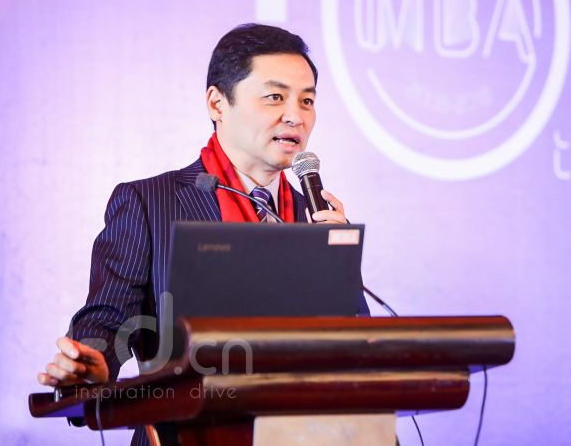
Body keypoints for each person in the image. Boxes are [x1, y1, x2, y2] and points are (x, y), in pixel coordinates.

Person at [37, 23, 368, 391]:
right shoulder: (150, 203)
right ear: (217, 103)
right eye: (276, 97)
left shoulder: (318, 220)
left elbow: (357, 352)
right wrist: (89, 363)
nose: (296, 116)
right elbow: (106, 322)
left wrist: (336, 268)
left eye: (307, 101)